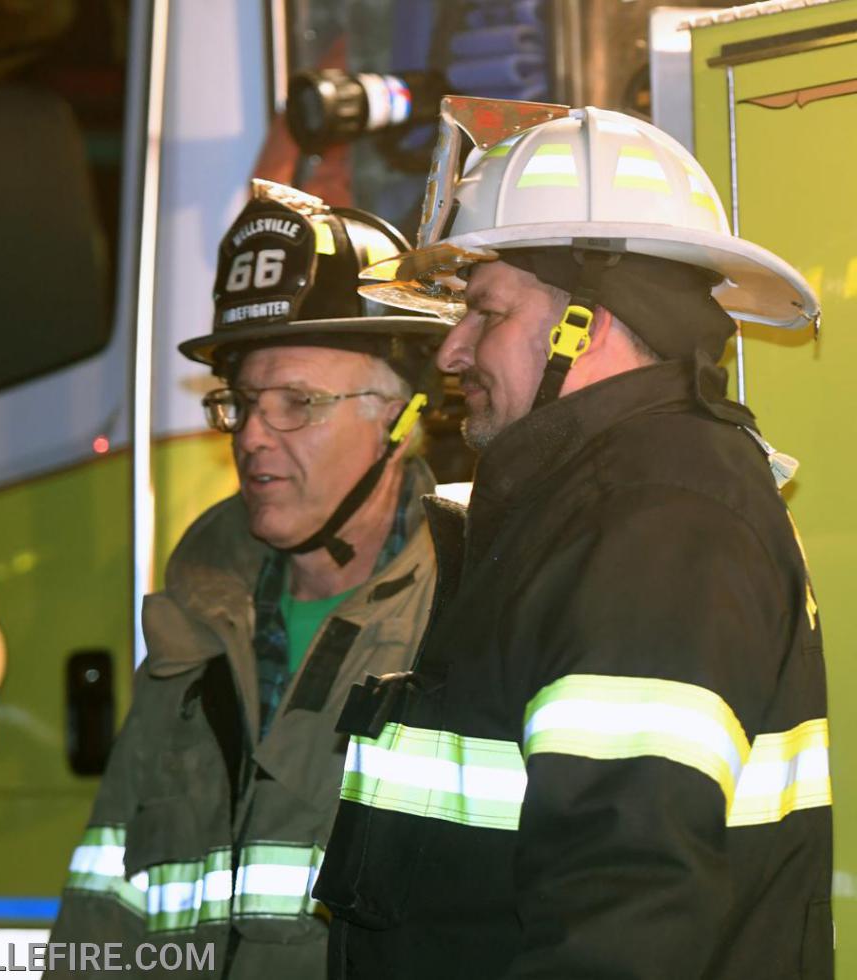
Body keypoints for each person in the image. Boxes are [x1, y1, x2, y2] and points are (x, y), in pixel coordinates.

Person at [314, 103, 833, 978]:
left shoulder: (661, 520)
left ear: (583, 325)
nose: (452, 353)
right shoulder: (593, 506)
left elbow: (625, 908)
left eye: (486, 313)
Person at [47, 179, 446, 977]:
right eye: (242, 401)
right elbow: (102, 918)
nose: (254, 435)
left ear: (400, 420)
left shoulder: (466, 615)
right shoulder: (195, 623)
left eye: (297, 402)